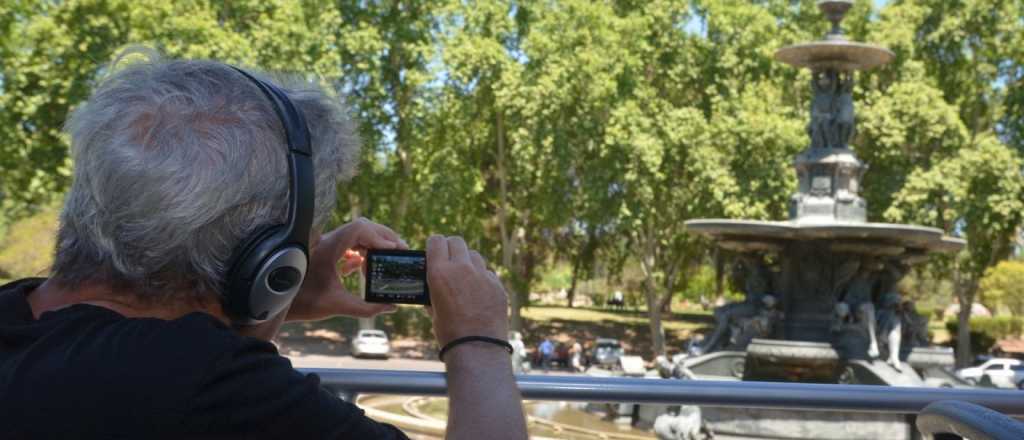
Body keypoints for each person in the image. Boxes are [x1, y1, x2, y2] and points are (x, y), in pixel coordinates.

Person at [0, 54, 527, 440]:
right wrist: (478, 341)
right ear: (266, 267)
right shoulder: (202, 382)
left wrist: (285, 301)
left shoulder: (18, 319)